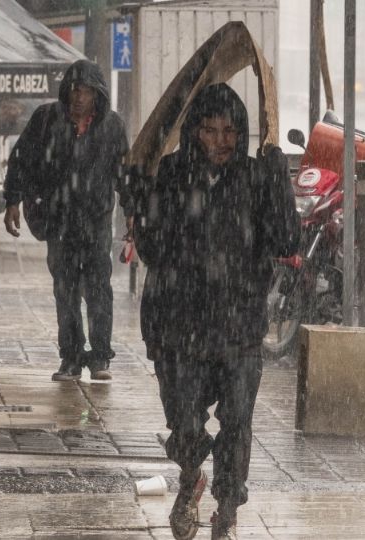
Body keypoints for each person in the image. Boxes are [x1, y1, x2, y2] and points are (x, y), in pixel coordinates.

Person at [132, 83, 299, 540]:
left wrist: (278, 178)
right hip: (178, 327)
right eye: (210, 130)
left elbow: (286, 241)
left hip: (239, 327)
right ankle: (190, 477)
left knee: (238, 419)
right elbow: (152, 250)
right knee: (184, 421)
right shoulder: (170, 174)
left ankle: (227, 506)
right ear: (194, 132)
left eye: (230, 131)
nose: (221, 141)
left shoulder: (255, 176)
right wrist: (139, 201)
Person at [2, 60, 131, 381]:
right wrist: (12, 200)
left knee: (99, 288)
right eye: (73, 89)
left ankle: (100, 357)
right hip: (58, 221)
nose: (78, 97)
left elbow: (124, 176)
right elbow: (21, 160)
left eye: (85, 90)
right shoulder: (46, 119)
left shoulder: (112, 126)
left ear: (97, 94)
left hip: (97, 221)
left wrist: (133, 216)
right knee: (66, 290)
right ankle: (71, 357)